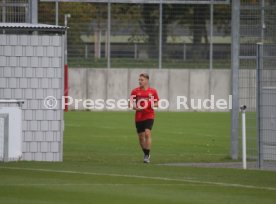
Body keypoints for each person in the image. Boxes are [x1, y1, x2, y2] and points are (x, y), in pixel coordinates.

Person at [129, 73, 159, 163]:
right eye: (139, 80)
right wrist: (136, 108)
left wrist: (150, 105)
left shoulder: (153, 91)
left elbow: (157, 103)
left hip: (149, 115)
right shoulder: (135, 91)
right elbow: (129, 104)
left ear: (146, 80)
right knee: (141, 138)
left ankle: (147, 155)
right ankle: (146, 153)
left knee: (147, 133)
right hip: (139, 116)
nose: (140, 81)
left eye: (142, 80)